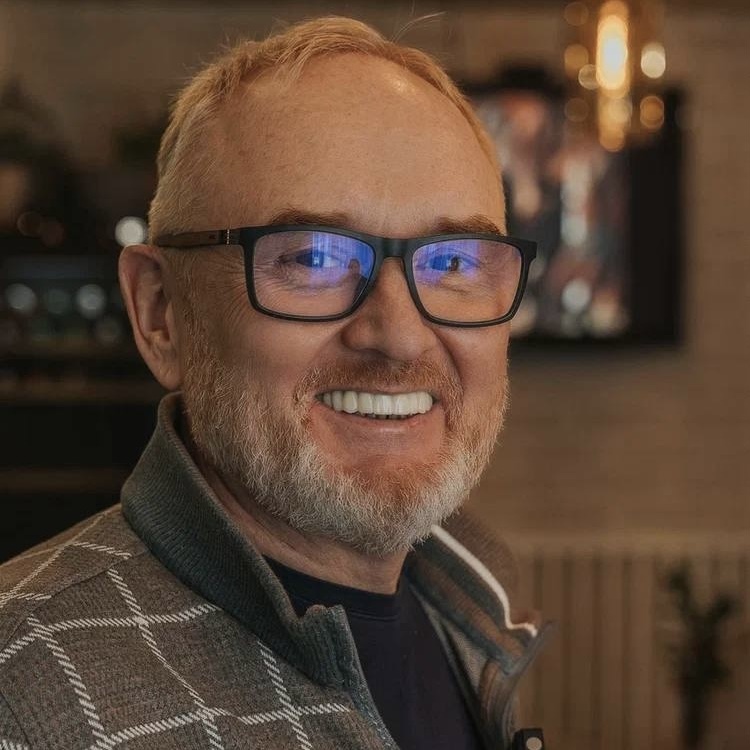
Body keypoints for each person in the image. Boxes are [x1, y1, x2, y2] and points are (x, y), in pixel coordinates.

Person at [0, 16, 547, 750]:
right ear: (161, 313)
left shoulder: (473, 608)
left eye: (454, 262)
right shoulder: (21, 695)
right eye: (314, 258)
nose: (399, 336)